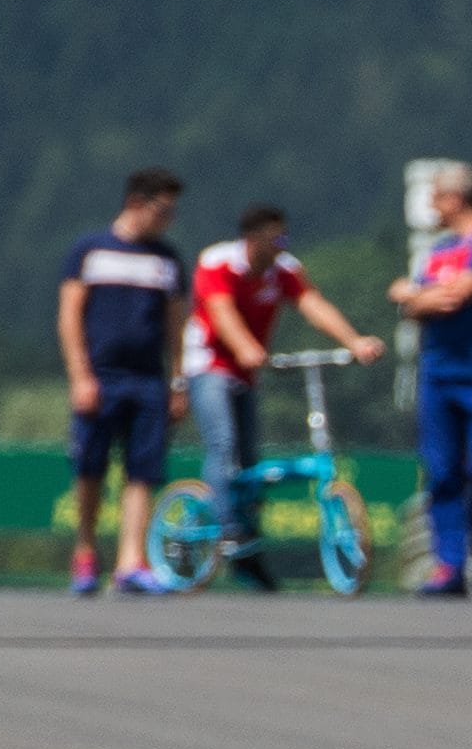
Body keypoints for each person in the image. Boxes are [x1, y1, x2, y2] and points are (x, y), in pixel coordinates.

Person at [182, 204, 385, 591]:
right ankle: (227, 529)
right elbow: (220, 311)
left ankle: (248, 542)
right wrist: (244, 347)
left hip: (248, 369)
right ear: (253, 237)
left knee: (250, 461)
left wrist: (354, 341)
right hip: (208, 364)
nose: (282, 246)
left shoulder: (285, 270)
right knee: (223, 444)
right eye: (276, 238)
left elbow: (313, 305)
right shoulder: (218, 261)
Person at [388, 162, 472, 597]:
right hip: (439, 373)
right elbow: (418, 307)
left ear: (455, 198)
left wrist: (411, 293)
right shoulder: (442, 247)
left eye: (437, 197)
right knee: (442, 471)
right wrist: (418, 299)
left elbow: (454, 296)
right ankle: (450, 564)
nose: (432, 206)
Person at [58, 167, 189, 596]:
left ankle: (131, 561)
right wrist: (81, 375)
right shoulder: (90, 250)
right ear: (136, 203)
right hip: (100, 378)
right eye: (162, 210)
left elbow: (176, 327)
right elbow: (70, 316)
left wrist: (178, 381)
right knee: (90, 469)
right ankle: (85, 551)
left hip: (147, 380)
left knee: (142, 471)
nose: (168, 220)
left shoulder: (167, 260)